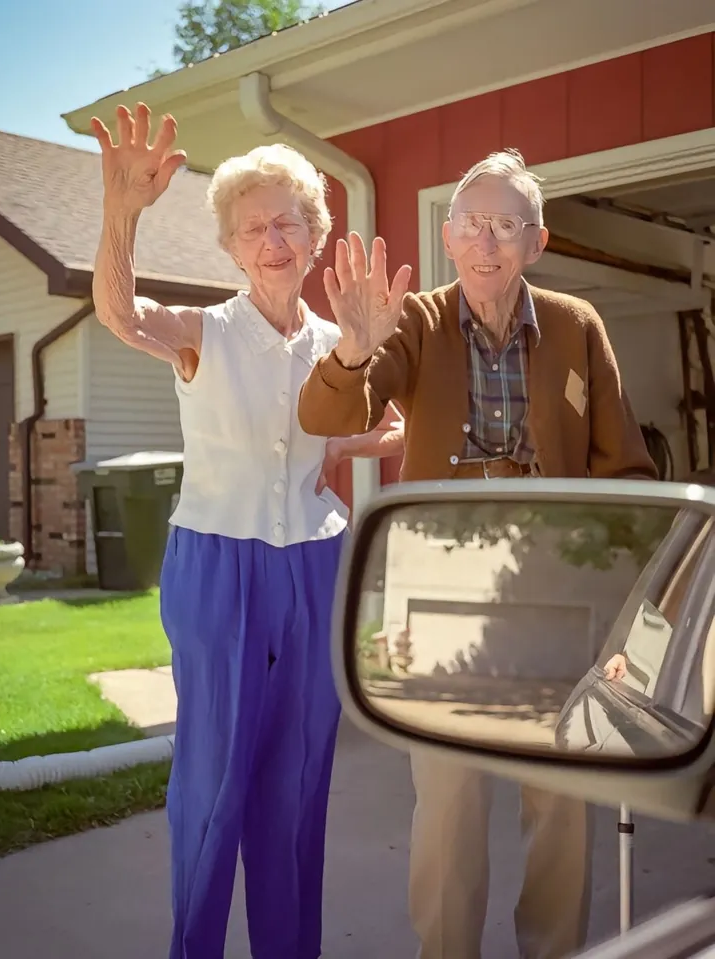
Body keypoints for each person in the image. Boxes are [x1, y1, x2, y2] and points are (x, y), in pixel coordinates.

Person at [297, 148, 657, 959]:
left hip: (556, 601)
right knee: (449, 809)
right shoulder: (417, 321)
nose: (485, 242)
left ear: (538, 242)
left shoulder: (575, 325)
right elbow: (326, 413)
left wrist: (621, 622)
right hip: (444, 606)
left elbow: (626, 473)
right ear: (449, 237)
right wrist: (355, 348)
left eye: (505, 226)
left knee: (563, 805)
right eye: (470, 224)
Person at [90, 102, 403, 959]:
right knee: (213, 780)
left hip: (313, 563)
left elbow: (357, 431)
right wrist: (122, 214)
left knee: (299, 782)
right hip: (219, 570)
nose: (274, 240)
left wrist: (353, 445)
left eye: (290, 222)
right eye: (255, 226)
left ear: (315, 233)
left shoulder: (344, 342)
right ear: (231, 246)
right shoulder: (204, 332)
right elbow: (119, 315)